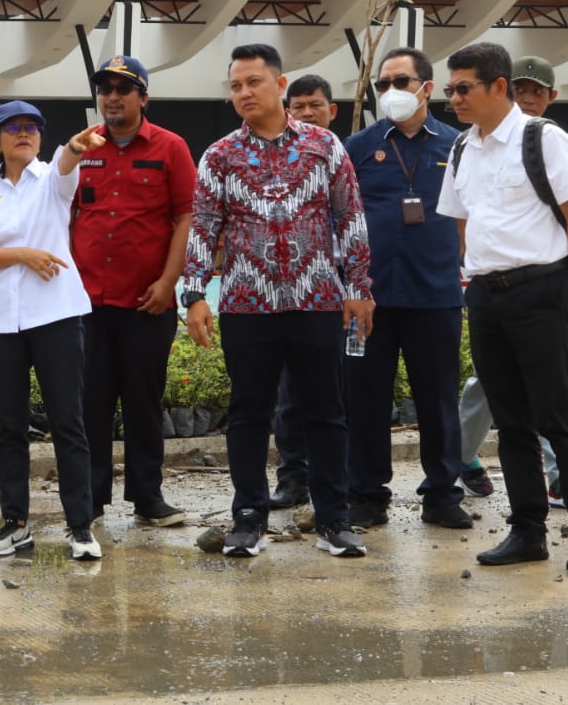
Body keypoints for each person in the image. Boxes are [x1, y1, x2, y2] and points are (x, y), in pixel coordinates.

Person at [180, 44, 374, 560]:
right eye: (235, 86)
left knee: (326, 413)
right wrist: (195, 292)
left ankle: (335, 519)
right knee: (248, 414)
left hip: (316, 300)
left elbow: (349, 219)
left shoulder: (324, 146)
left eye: (253, 83)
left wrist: (358, 288)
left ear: (280, 84)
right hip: (246, 303)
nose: (243, 93)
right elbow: (203, 227)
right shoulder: (220, 156)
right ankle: (248, 517)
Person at [436, 41, 568, 574]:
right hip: (486, 294)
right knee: (511, 422)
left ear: (499, 86)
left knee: (556, 417)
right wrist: (476, 271)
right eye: (450, 90)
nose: (454, 99)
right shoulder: (464, 149)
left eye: (463, 88)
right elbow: (461, 218)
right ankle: (528, 531)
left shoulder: (544, 139)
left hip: (542, 289)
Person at [0, 101, 106, 561]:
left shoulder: (53, 181)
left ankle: (80, 526)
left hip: (56, 315)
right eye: (13, 128)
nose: (24, 134)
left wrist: (73, 148)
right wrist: (23, 254)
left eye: (32, 128)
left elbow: (67, 165)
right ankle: (15, 523)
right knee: (9, 425)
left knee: (68, 421)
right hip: (1, 319)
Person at [342, 48, 470, 530]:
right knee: (365, 398)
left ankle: (441, 494)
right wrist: (348, 285)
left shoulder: (457, 145)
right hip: (368, 298)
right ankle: (367, 493)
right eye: (382, 84)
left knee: (438, 399)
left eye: (401, 81)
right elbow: (341, 218)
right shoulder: (357, 146)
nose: (390, 92)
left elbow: (471, 216)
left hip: (435, 293)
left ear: (426, 88)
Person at [71, 55, 196, 528]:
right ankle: (92, 499)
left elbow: (187, 217)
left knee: (143, 402)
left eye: (123, 89)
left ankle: (148, 497)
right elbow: (65, 216)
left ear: (143, 97)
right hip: (89, 303)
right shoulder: (83, 148)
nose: (112, 98)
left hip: (147, 303)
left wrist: (168, 282)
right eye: (105, 90)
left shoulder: (171, 148)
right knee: (91, 404)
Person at [270, 73, 339, 510]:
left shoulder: (340, 155)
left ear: (332, 109)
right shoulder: (280, 161)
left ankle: (340, 482)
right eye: (298, 106)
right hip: (292, 296)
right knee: (291, 396)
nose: (308, 112)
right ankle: (293, 478)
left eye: (316, 104)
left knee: (337, 396)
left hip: (341, 292)